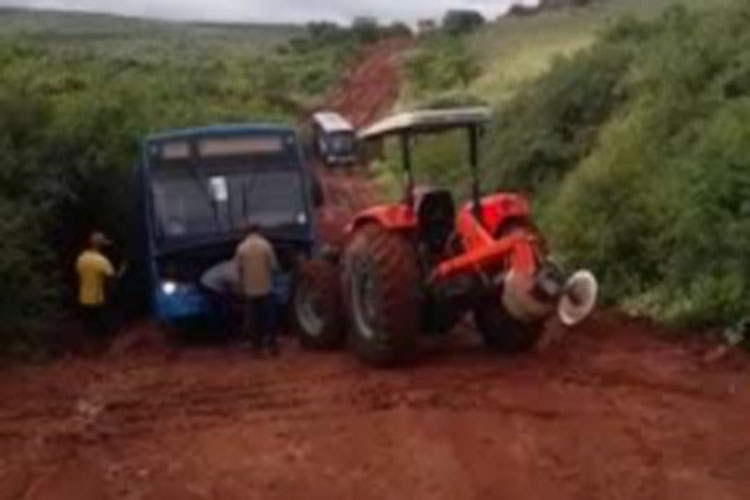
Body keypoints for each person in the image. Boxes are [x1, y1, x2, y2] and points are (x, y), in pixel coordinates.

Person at [235, 223, 280, 355]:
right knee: (269, 318)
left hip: (250, 290)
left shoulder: (241, 248)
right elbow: (274, 267)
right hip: (266, 288)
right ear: (259, 231)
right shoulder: (266, 245)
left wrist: (242, 284)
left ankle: (256, 348)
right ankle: (272, 346)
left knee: (254, 320)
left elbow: (239, 269)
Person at [75, 232, 125, 336]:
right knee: (102, 331)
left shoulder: (81, 258)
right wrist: (122, 270)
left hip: (83, 299)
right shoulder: (102, 261)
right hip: (98, 300)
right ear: (100, 246)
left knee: (88, 330)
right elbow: (113, 279)